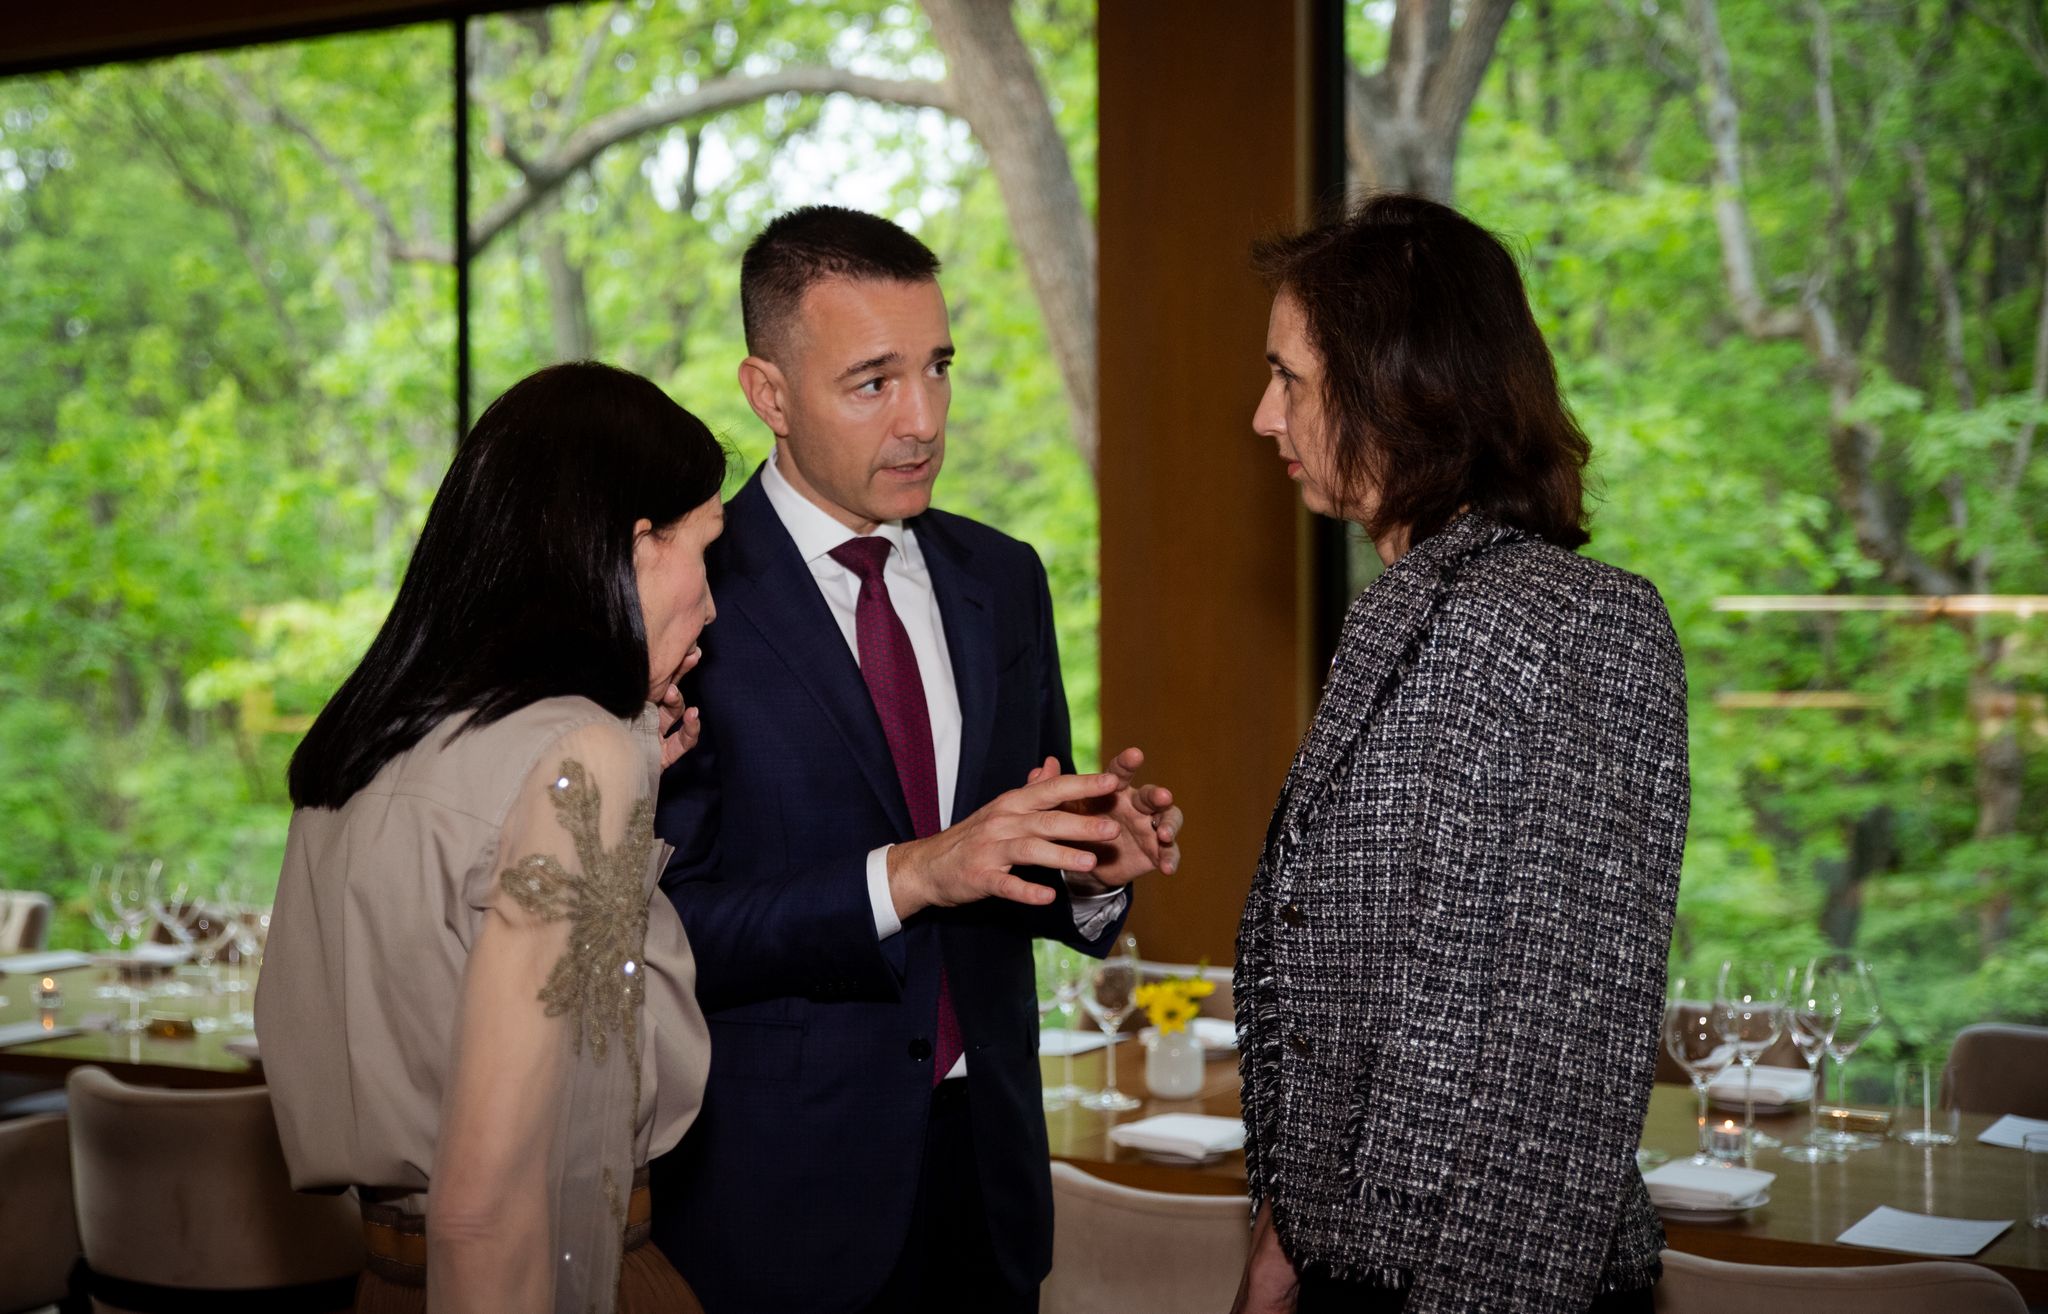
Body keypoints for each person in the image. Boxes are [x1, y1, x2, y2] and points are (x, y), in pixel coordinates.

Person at [650, 205, 1182, 1314]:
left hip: (987, 1185)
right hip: (779, 1206)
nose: (923, 420)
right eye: (873, 382)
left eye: (937, 369)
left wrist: (1092, 867)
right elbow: (662, 929)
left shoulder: (1004, 578)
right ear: (768, 394)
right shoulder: (690, 598)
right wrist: (912, 874)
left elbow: (1005, 864)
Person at [1231, 196, 1689, 1314]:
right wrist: (1282, 1248)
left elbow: (1558, 1067)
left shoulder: (1577, 624)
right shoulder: (1404, 613)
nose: (1262, 414)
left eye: (1289, 378)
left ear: (1398, 385)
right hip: (1352, 1263)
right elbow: (1359, 1011)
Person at [258, 362, 724, 1314]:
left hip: (387, 1278)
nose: (712, 602)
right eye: (705, 551)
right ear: (634, 545)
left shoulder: (367, 737)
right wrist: (609, 768)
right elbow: (497, 1201)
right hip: (546, 1278)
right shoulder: (575, 757)